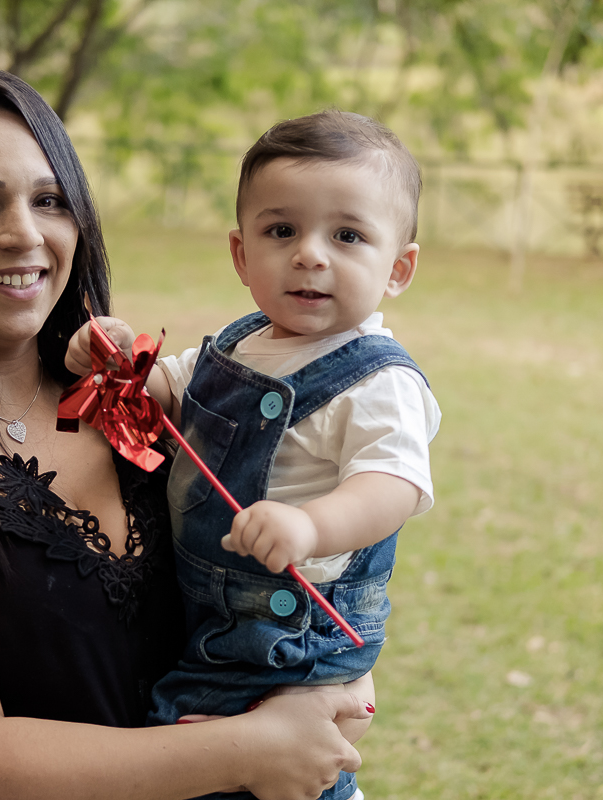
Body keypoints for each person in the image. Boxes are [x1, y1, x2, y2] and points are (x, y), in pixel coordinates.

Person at [0, 67, 374, 800]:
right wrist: (249, 749)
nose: (24, 233)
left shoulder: (139, 398)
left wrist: (327, 692)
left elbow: (294, 591)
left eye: (49, 201)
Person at [66, 110, 441, 800]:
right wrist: (118, 362)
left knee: (240, 764)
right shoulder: (240, 344)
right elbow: (170, 392)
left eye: (348, 235)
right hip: (211, 614)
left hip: (293, 634)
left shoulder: (378, 382)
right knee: (203, 753)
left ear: (399, 268)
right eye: (281, 231)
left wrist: (312, 526)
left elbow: (392, 484)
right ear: (242, 256)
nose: (310, 254)